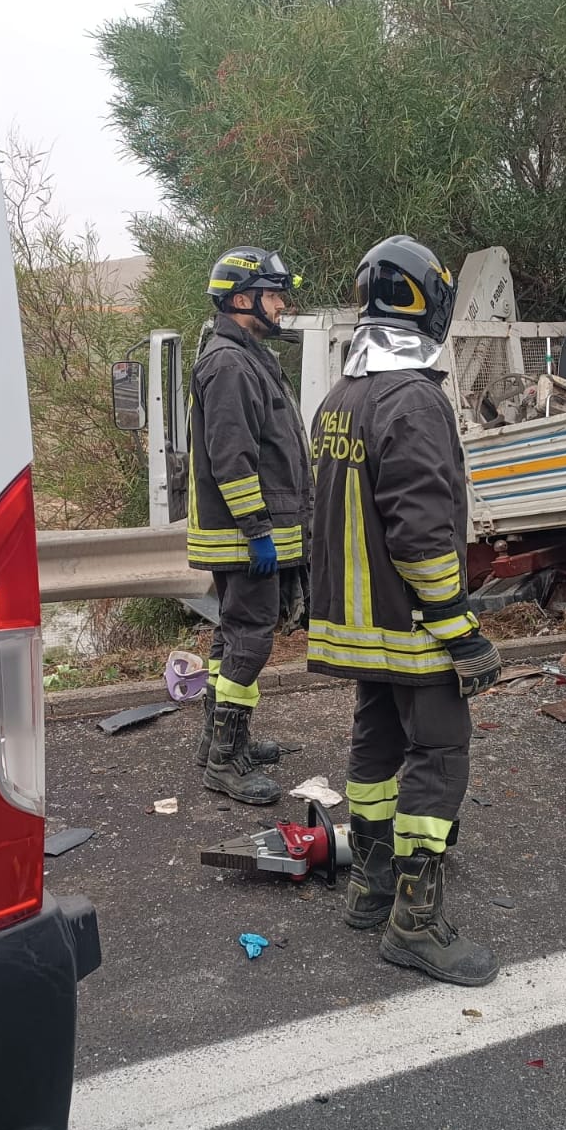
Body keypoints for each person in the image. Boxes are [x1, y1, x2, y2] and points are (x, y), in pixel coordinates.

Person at [308, 235, 504, 988]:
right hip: (412, 628)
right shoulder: (413, 399)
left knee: (375, 748)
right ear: (432, 305)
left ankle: (372, 885)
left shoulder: (341, 398)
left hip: (357, 628)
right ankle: (415, 924)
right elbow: (422, 531)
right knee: (438, 755)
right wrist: (460, 630)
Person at [187, 247, 313, 806]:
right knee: (250, 641)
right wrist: (257, 529)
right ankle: (223, 762)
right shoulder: (231, 364)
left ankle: (219, 740)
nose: (282, 304)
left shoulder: (247, 354)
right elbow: (231, 458)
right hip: (245, 535)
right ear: (242, 299)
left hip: (251, 531)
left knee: (232, 633)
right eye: (272, 294)